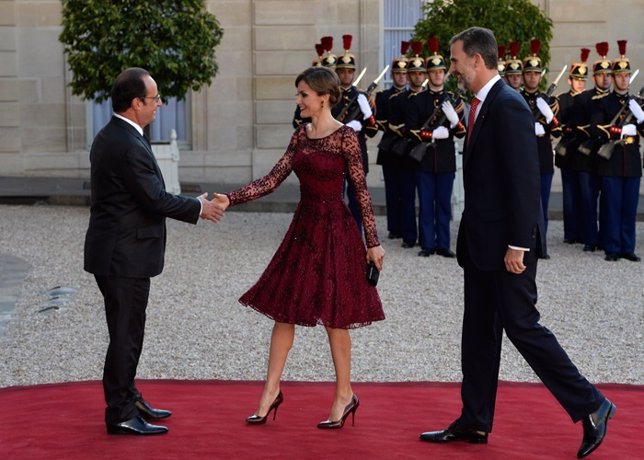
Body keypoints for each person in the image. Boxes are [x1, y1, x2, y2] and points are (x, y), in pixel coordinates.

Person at [419, 28, 615, 459]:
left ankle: (592, 405)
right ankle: (474, 420)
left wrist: (519, 245)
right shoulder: (484, 105)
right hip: (482, 244)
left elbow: (525, 183)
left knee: (522, 326)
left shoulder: (507, 106)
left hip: (508, 248)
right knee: (478, 333)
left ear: (476, 60)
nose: (451, 68)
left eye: (454, 61)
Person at [214, 66, 385, 429]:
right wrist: (230, 199)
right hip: (303, 232)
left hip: (337, 232)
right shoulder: (300, 136)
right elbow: (273, 179)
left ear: (324, 97)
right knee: (285, 310)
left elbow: (361, 192)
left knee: (336, 317)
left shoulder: (346, 139)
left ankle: (344, 394)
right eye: (298, 94)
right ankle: (270, 391)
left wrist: (373, 243)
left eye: (303, 94)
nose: (298, 101)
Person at [83, 67, 225, 435]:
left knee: (126, 331)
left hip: (118, 251)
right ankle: (120, 413)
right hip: (122, 255)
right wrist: (199, 208)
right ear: (135, 104)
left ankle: (129, 397)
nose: (159, 104)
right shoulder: (127, 143)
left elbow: (142, 195)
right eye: (154, 99)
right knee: (126, 334)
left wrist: (191, 203)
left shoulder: (117, 134)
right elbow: (154, 198)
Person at [406, 36, 466, 258]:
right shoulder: (418, 100)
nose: (437, 75)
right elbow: (411, 130)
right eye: (433, 72)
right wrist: (431, 134)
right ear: (428, 75)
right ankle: (427, 244)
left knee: (443, 204)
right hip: (424, 160)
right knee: (425, 205)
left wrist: (454, 121)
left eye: (441, 71)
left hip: (445, 160)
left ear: (444, 74)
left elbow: (462, 132)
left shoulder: (453, 100)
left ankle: (443, 244)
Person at [590, 40, 642, 262]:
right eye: (619, 76)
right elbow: (596, 128)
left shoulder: (636, 103)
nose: (623, 79)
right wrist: (621, 131)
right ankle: (612, 247)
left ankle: (627, 247)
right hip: (611, 160)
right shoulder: (604, 102)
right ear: (612, 77)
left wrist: (641, 117)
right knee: (611, 207)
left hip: (630, 160)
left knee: (629, 207)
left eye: (626, 75)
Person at [333, 34, 378, 232]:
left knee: (357, 199)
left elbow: (373, 130)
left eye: (349, 71)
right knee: (335, 198)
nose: (346, 75)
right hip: (335, 154)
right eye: (342, 71)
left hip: (356, 155)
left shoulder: (361, 97)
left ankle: (355, 233)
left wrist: (367, 116)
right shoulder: (330, 96)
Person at [520, 39, 560, 256]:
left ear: (540, 76)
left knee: (542, 206)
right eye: (529, 73)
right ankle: (523, 243)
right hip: (523, 160)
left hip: (543, 159)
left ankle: (541, 247)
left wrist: (549, 116)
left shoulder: (550, 101)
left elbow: (558, 132)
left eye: (536, 73)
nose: (532, 77)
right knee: (523, 204)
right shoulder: (515, 99)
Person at [386, 40, 428, 249]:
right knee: (408, 197)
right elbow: (394, 124)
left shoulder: (431, 99)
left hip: (425, 153)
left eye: (420, 73)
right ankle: (409, 236)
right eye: (413, 73)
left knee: (427, 199)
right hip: (405, 154)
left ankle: (427, 237)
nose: (416, 77)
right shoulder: (397, 99)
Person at [575, 42, 613, 252]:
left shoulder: (617, 100)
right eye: (601, 75)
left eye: (609, 75)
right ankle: (590, 239)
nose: (605, 78)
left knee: (608, 201)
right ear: (594, 77)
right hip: (588, 156)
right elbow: (578, 127)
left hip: (608, 157)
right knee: (589, 201)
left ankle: (606, 238)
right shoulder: (584, 99)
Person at [554, 48, 590, 245]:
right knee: (569, 195)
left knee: (585, 193)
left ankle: (585, 232)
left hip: (584, 153)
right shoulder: (563, 99)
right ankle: (571, 233)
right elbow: (558, 124)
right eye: (577, 79)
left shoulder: (590, 99)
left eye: (583, 80)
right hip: (568, 151)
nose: (580, 83)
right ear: (570, 80)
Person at [374, 40, 409, 240]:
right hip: (389, 148)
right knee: (392, 191)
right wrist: (392, 127)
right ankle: (394, 227)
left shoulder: (414, 97)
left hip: (406, 148)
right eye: (398, 74)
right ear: (392, 75)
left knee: (406, 191)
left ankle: (406, 227)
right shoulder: (383, 96)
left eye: (404, 74)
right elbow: (378, 121)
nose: (401, 77)